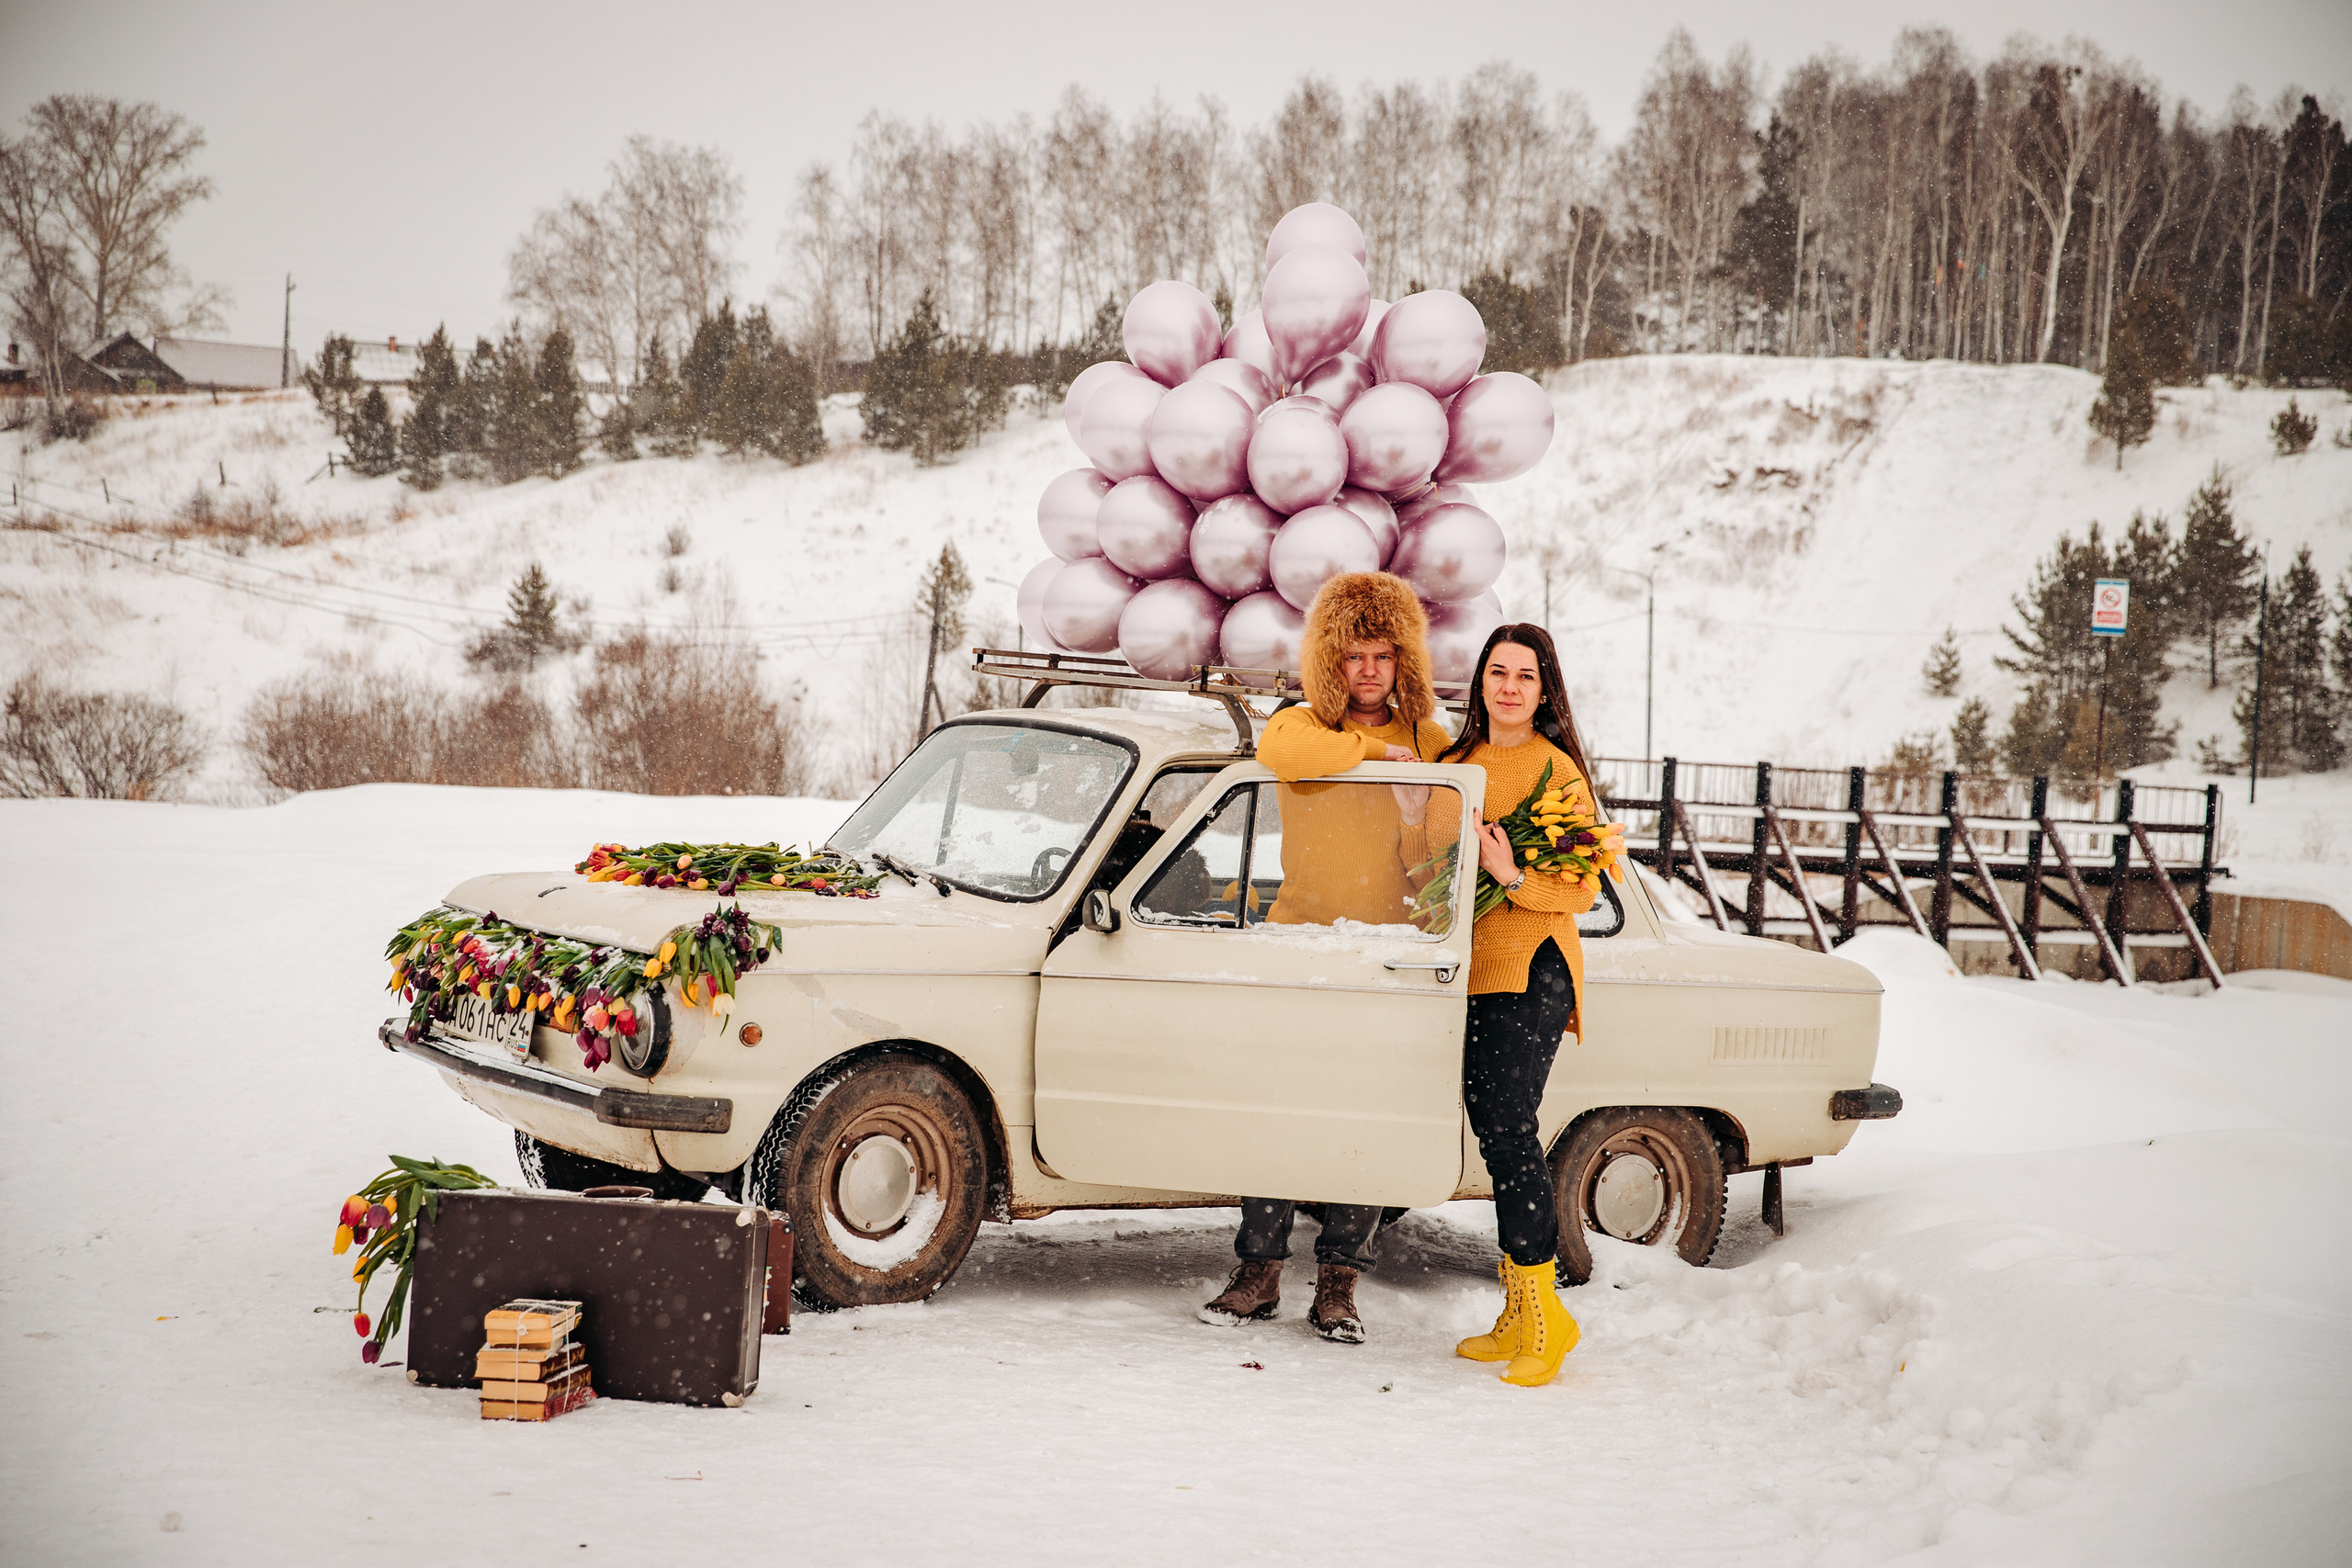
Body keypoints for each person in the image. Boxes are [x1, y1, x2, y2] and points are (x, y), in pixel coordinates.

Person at [1197, 571, 1450, 1345]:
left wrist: (1413, 812)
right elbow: (1281, 747)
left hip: (1389, 954)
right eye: (1353, 655)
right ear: (1328, 659)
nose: (1368, 670)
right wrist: (1377, 752)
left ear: (1403, 659)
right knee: (1276, 1108)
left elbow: (1436, 866)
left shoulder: (1436, 744)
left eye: (1383, 655)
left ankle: (1339, 1282)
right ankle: (1258, 1271)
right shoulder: (1301, 725)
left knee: (1363, 1122)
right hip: (1300, 943)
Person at [1407, 623, 1600, 1389]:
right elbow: (1422, 868)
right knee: (1493, 1133)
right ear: (1479, 682)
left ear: (1545, 689)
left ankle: (1546, 1316)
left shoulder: (1557, 772)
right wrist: (1409, 797)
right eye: (1498, 672)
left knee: (1513, 1134)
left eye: (1526, 675)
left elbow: (1582, 886)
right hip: (1469, 972)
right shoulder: (1455, 764)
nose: (1510, 686)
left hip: (1532, 968)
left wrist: (1512, 874)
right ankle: (1518, 1312)